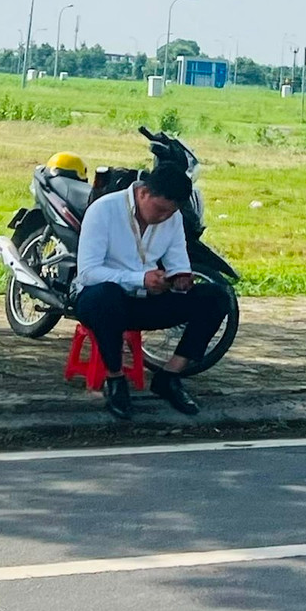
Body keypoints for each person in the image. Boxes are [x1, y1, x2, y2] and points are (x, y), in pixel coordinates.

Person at [73, 163, 232, 420]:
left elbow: (178, 261)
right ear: (143, 193)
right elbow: (88, 273)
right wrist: (139, 278)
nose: (163, 217)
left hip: (146, 301)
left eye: (170, 213)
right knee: (106, 296)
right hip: (99, 301)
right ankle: (115, 380)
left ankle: (169, 376)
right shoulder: (104, 210)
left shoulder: (172, 217)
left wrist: (180, 278)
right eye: (159, 209)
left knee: (216, 297)